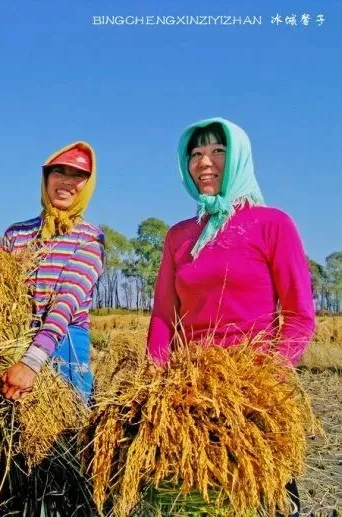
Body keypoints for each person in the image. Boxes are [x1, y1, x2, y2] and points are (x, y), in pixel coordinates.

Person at [147, 117, 315, 516]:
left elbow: (298, 316)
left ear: (239, 158)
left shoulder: (273, 224)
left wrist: (259, 381)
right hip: (187, 394)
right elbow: (162, 319)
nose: (205, 162)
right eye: (196, 153)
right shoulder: (179, 235)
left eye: (218, 151)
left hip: (252, 394)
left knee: (258, 500)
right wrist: (159, 387)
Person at [0, 141, 105, 404]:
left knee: (67, 434)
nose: (66, 182)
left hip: (64, 343)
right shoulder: (17, 234)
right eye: (58, 172)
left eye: (78, 175)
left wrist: (32, 361)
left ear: (88, 184)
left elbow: (65, 303)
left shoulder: (90, 239)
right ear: (45, 178)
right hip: (12, 341)